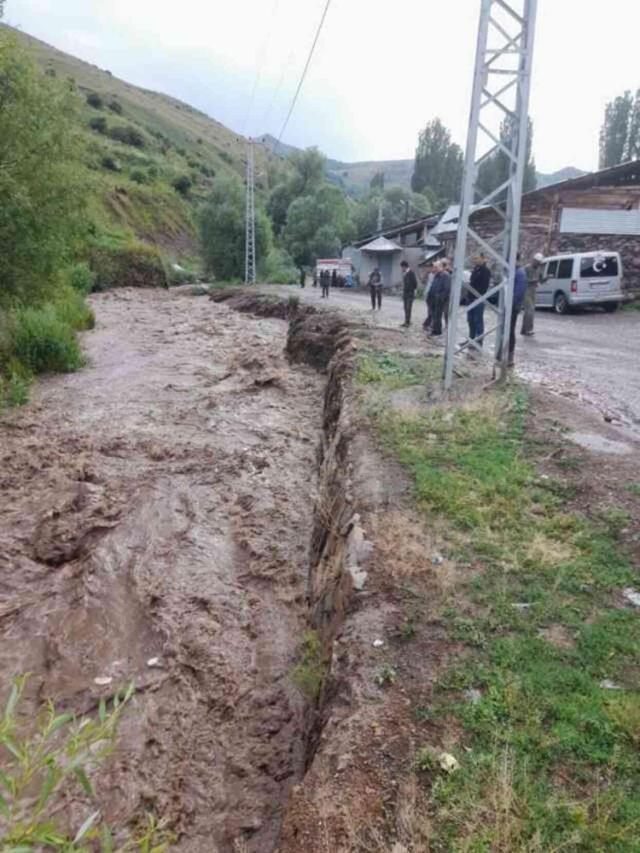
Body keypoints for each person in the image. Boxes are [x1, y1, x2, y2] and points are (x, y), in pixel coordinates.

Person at [500, 254, 528, 366]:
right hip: (507, 305)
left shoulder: (520, 273)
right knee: (504, 330)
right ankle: (502, 354)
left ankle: (509, 357)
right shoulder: (512, 271)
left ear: (516, 260)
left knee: (510, 331)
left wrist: (511, 305)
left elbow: (519, 292)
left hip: (512, 306)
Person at [467, 254, 491, 347]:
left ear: (483, 258)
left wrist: (478, 296)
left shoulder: (485, 271)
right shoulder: (475, 269)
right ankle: (471, 339)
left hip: (478, 298)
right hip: (471, 298)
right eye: (474, 258)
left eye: (477, 258)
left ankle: (478, 340)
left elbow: (484, 286)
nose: (475, 260)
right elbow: (471, 281)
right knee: (470, 320)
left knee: (478, 320)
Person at [521, 252, 545, 336]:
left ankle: (524, 329)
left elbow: (541, 281)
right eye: (537, 262)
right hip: (526, 290)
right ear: (534, 260)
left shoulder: (538, 269)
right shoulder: (527, 268)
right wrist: (533, 281)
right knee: (529, 310)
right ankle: (528, 329)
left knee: (529, 311)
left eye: (539, 263)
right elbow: (523, 280)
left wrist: (547, 278)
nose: (538, 264)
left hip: (533, 291)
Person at [429, 262, 451, 337]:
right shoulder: (437, 275)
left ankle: (437, 331)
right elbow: (433, 286)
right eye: (434, 267)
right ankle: (435, 329)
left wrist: (440, 297)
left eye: (436, 267)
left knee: (438, 315)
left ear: (441, 267)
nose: (435, 269)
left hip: (440, 299)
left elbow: (447, 288)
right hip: (433, 298)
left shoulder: (446, 275)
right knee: (434, 315)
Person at [400, 260, 418, 327]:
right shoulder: (405, 273)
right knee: (405, 308)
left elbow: (415, 283)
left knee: (408, 308)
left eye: (402, 267)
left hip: (410, 294)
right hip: (405, 294)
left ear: (404, 267)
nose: (401, 269)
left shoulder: (411, 273)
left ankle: (407, 322)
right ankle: (406, 321)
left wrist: (411, 290)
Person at [423, 263, 436, 331]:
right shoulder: (431, 275)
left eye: (432, 268)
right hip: (429, 294)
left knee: (432, 311)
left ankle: (429, 324)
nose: (431, 269)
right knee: (431, 311)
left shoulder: (435, 275)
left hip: (433, 294)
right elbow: (425, 282)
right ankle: (427, 324)